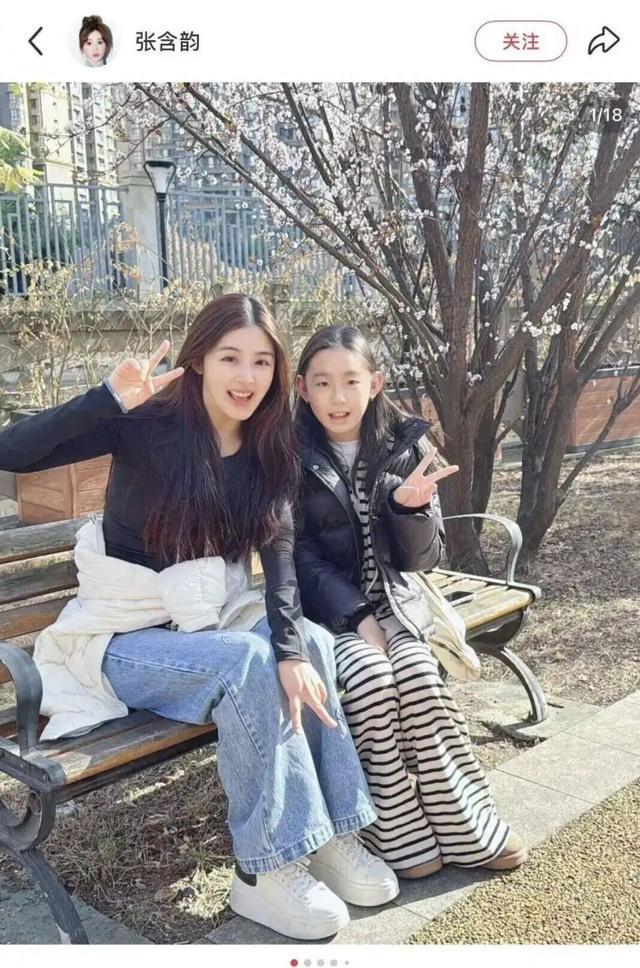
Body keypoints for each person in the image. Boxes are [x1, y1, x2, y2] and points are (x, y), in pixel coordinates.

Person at [0, 295, 400, 940]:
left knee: (313, 647)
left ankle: (329, 836)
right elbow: (10, 452)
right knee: (248, 663)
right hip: (119, 638)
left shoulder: (269, 447)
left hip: (208, 625)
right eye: (230, 358)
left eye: (262, 362)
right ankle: (264, 871)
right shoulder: (146, 422)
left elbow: (280, 561)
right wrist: (104, 399)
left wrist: (291, 652)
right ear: (200, 360)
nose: (246, 377)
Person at [292, 325, 528, 878]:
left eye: (351, 381)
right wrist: (357, 616)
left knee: (420, 676)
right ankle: (395, 830)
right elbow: (294, 553)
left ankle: (464, 822)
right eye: (322, 383)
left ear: (375, 383)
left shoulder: (404, 443)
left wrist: (409, 510)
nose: (337, 396)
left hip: (398, 603)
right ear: (302, 388)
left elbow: (424, 559)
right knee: (371, 682)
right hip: (327, 615)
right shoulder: (286, 454)